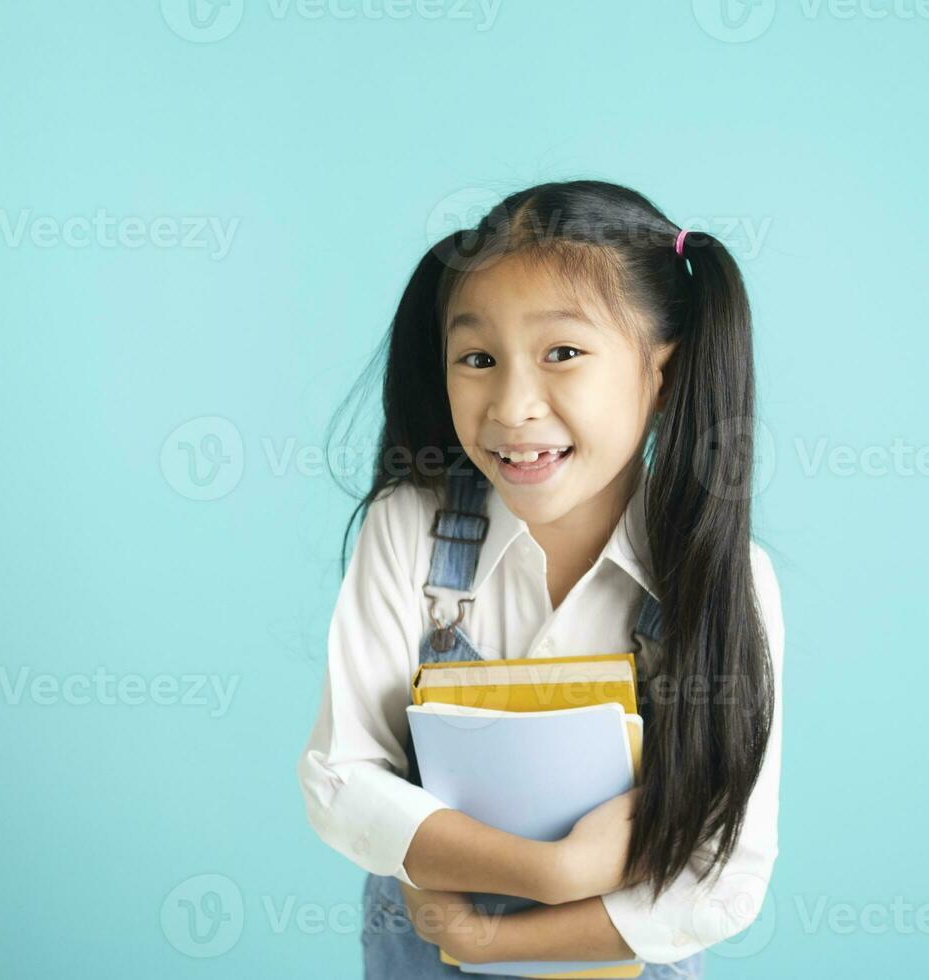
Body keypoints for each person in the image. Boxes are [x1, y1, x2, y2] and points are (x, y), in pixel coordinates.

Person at [298, 179, 785, 979]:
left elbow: (721, 878)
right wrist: (543, 868)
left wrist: (499, 933)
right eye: (477, 358)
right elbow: (339, 777)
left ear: (661, 370)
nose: (513, 405)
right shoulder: (408, 531)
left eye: (562, 353)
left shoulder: (723, 579)